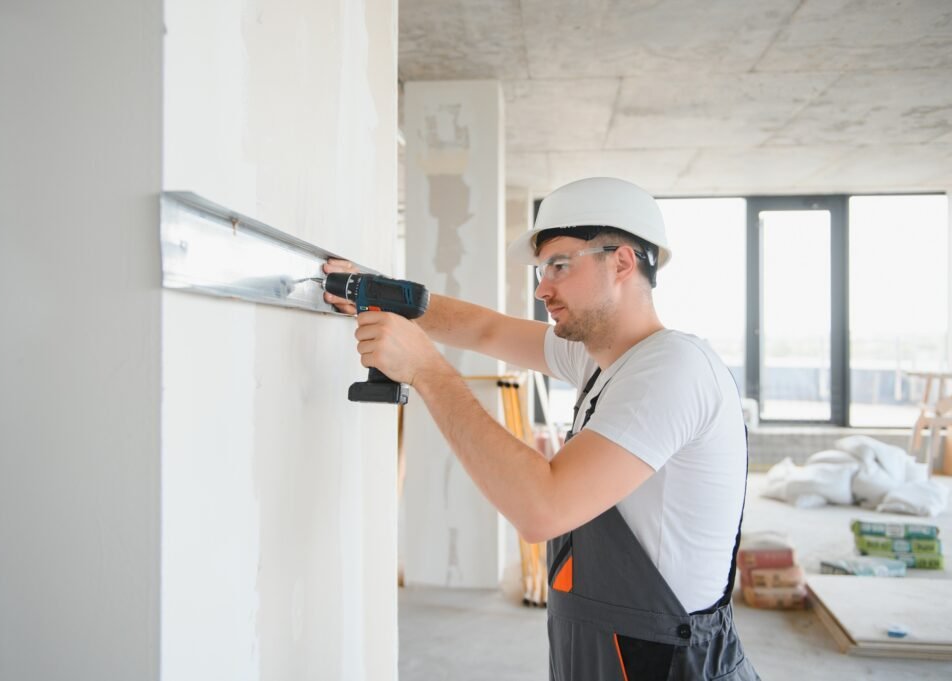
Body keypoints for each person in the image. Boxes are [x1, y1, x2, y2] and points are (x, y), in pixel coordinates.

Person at [324, 177, 759, 680]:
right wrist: (375, 292)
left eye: (559, 265)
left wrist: (426, 369)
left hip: (665, 665)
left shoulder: (671, 370)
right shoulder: (601, 358)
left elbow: (543, 508)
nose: (541, 287)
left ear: (621, 261)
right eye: (541, 269)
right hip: (607, 651)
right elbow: (486, 329)